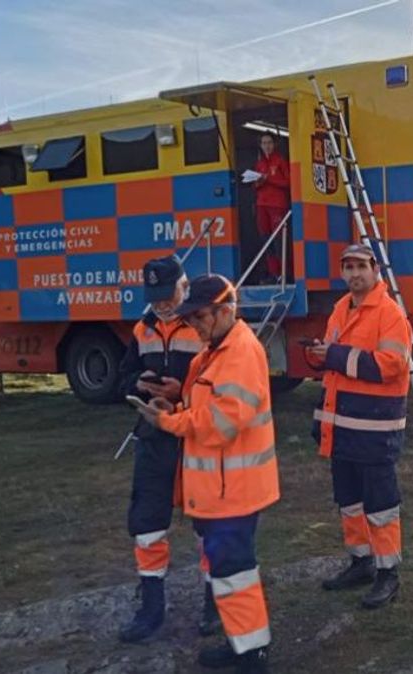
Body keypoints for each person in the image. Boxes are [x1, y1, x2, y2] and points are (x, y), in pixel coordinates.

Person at [136, 274, 279, 674]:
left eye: (199, 316)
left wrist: (170, 422)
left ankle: (253, 654)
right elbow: (207, 401)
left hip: (233, 491)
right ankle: (244, 645)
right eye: (192, 317)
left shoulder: (239, 353)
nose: (194, 325)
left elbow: (221, 422)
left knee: (235, 573)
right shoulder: (216, 349)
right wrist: (176, 397)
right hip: (222, 490)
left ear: (225, 311)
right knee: (229, 573)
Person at [305, 244, 413, 609]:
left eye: (360, 267)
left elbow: (390, 366)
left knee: (381, 505)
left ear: (375, 269)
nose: (354, 274)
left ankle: (388, 574)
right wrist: (318, 356)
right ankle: (361, 562)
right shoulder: (340, 308)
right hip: (342, 427)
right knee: (349, 502)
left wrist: (332, 356)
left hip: (376, 429)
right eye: (348, 267)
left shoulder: (389, 313)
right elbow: (334, 363)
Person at [117, 257, 219, 643]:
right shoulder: (142, 329)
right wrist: (139, 384)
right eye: (155, 298)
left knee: (208, 524)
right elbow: (123, 377)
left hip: (196, 436)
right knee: (147, 523)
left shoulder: (205, 326)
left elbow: (222, 383)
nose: (161, 305)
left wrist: (184, 393)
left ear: (184, 285)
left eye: (168, 296)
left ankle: (214, 603)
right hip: (155, 435)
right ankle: (151, 608)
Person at [251, 133, 290, 282]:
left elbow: (288, 182)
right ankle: (274, 274)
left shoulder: (280, 161)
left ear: (274, 144)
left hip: (277, 205)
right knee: (266, 239)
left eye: (269, 142)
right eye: (264, 143)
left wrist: (269, 179)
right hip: (262, 205)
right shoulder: (259, 164)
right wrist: (259, 181)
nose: (267, 146)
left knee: (279, 240)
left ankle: (285, 273)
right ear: (260, 145)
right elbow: (254, 185)